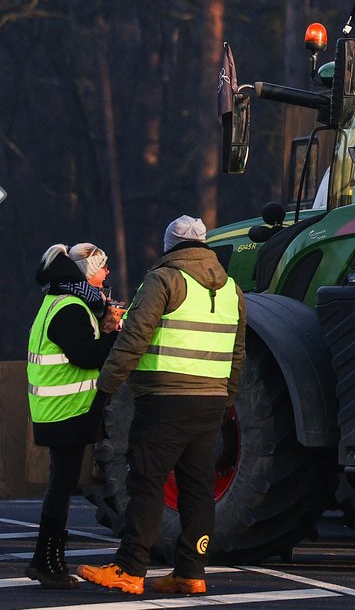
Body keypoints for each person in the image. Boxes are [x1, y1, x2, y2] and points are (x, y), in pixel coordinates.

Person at [78, 216, 245, 596]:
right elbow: (238, 353)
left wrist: (105, 390)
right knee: (198, 487)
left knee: (147, 481)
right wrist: (226, 398)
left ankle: (130, 568)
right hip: (211, 403)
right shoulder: (232, 289)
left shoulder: (163, 279)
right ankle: (190, 571)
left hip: (164, 400)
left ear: (169, 245)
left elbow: (133, 339)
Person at [25, 243, 122, 588]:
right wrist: (112, 336)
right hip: (65, 411)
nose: (107, 273)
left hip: (56, 410)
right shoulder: (71, 306)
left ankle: (48, 559)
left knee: (61, 483)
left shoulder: (58, 301)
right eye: (103, 267)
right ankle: (46, 562)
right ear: (83, 274)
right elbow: (85, 355)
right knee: (61, 484)